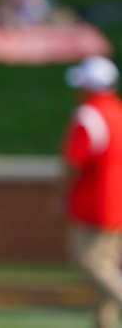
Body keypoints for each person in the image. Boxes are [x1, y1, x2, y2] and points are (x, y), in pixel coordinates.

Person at [62, 56, 122, 328]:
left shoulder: (88, 115)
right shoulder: (117, 111)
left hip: (94, 205)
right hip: (116, 203)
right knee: (109, 266)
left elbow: (74, 162)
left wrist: (61, 194)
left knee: (90, 264)